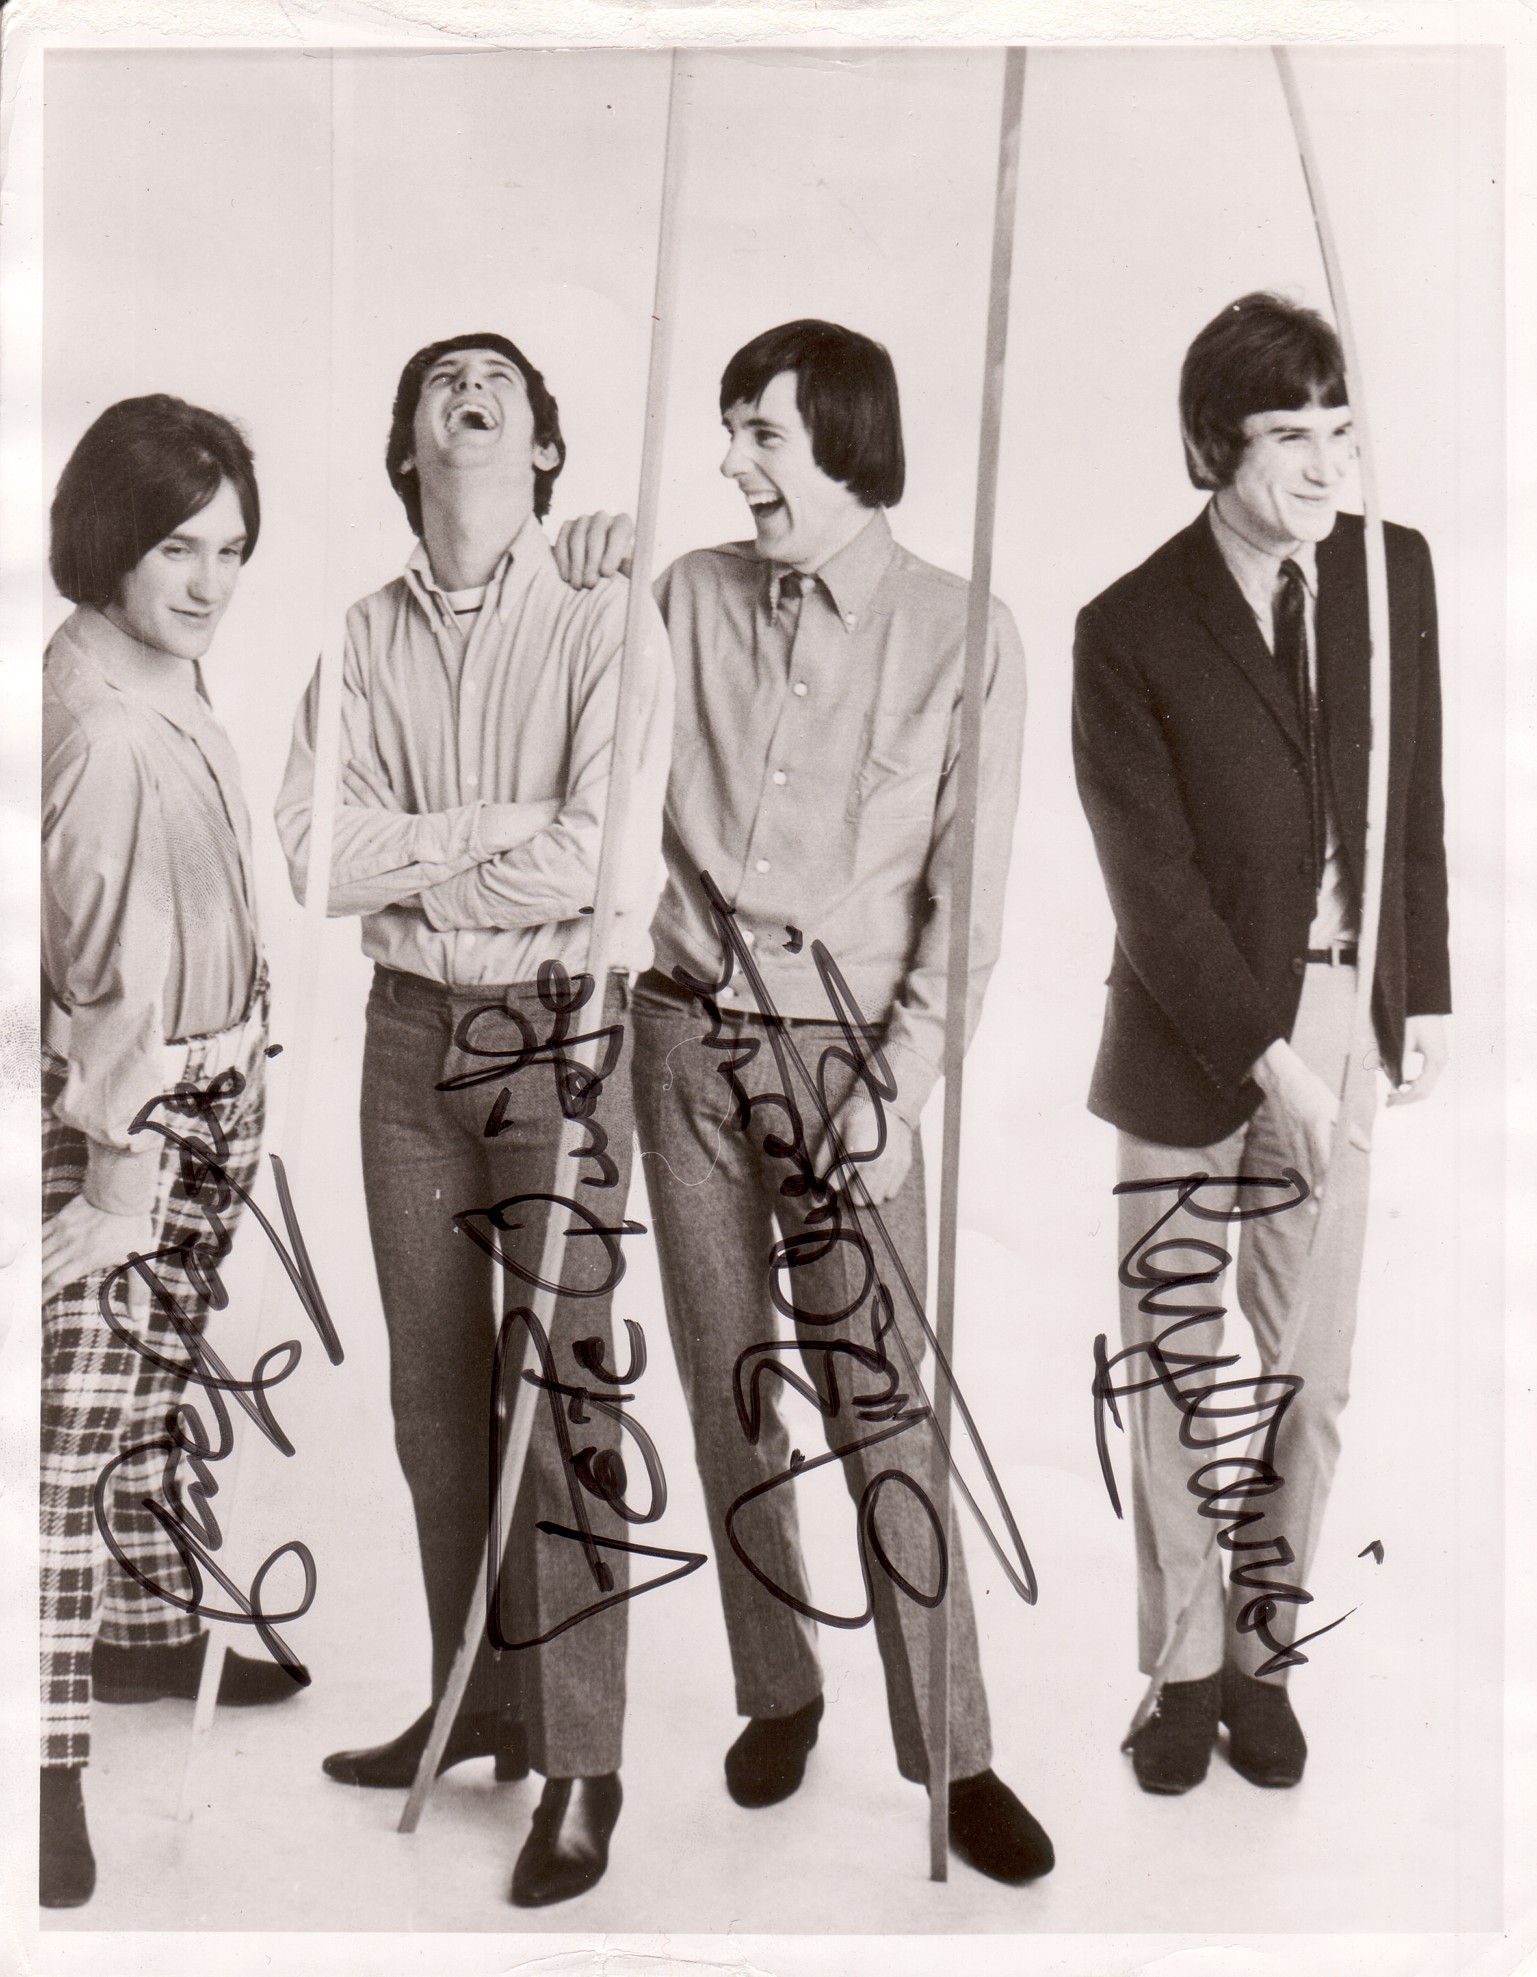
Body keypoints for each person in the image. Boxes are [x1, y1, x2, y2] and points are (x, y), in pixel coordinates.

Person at [556, 318, 1054, 1884]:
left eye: (759, 434)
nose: (729, 464)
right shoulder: (684, 596)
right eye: (725, 430)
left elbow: (965, 910)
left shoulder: (966, 632)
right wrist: (570, 589)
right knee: (726, 1389)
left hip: (849, 1066)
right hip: (679, 1038)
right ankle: (778, 1688)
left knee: (880, 1404)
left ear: (844, 444)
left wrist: (898, 1085)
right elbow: (583, 754)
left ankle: (952, 1751)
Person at [277, 332, 672, 1908]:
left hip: (556, 1034)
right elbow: (313, 850)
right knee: (434, 1400)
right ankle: (477, 1700)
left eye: (498, 375)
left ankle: (583, 1760)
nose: (469, 383)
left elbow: (601, 857)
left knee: (560, 1399)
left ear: (545, 449)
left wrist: (422, 855)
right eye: (440, 376)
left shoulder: (603, 613)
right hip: (404, 1044)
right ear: (407, 447)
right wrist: (498, 831)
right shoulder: (356, 635)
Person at [1072, 291, 1450, 1796]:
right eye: (1287, 432)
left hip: (1343, 1016)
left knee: (1308, 1371)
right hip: (1189, 1036)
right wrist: (1268, 1059)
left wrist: (1418, 997)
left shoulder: (1390, 572)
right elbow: (1149, 889)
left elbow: (1415, 806)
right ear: (1208, 444)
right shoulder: (1128, 625)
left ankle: (1260, 1657)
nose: (1323, 463)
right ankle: (1176, 1677)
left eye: (1338, 428)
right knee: (1179, 1369)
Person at [41, 395, 301, 1909]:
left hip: (208, 1089)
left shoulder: (158, 669)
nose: (210, 581)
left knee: (152, 1390)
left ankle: (139, 1637)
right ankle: (38, 1754)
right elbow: (110, 970)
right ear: (110, 541)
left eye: (232, 549)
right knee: (66, 1438)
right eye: (178, 548)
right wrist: (120, 1172)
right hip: (129, 1118)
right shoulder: (100, 721)